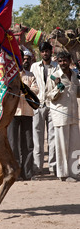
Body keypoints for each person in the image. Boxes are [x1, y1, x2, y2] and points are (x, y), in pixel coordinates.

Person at [47, 51, 80, 182]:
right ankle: (63, 174)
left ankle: (75, 172)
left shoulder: (74, 75)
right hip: (61, 115)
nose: (62, 63)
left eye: (65, 60)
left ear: (69, 60)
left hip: (73, 115)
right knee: (61, 145)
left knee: (75, 145)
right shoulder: (54, 76)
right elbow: (48, 95)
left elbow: (77, 92)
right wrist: (58, 89)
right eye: (60, 61)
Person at [8, 50, 38, 180]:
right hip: (13, 113)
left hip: (27, 113)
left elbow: (36, 90)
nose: (22, 61)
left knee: (28, 144)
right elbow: (7, 92)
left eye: (23, 58)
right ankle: (16, 173)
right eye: (19, 58)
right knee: (13, 144)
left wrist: (22, 91)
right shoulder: (9, 75)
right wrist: (26, 91)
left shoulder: (30, 75)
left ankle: (27, 173)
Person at [30, 41, 57, 177]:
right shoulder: (34, 67)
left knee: (52, 137)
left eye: (47, 51)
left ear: (51, 51)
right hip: (38, 105)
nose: (45, 53)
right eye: (43, 51)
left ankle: (53, 167)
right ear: (40, 53)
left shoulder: (56, 67)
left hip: (53, 105)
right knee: (37, 137)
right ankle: (37, 168)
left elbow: (60, 84)